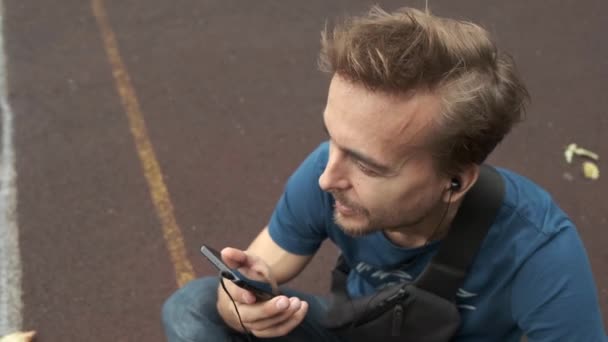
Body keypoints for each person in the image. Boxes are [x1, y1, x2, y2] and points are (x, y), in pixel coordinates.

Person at [162, 6, 607, 341]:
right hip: (362, 328)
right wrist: (239, 302)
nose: (327, 177)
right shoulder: (329, 172)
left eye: (367, 165)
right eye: (333, 140)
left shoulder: (538, 248)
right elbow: (259, 273)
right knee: (194, 308)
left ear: (455, 181)